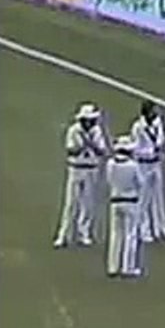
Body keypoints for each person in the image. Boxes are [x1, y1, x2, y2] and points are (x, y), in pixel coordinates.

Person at [54, 103, 109, 248]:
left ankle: (84, 233)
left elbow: (102, 150)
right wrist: (84, 144)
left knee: (88, 202)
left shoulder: (97, 131)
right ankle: (63, 234)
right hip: (76, 169)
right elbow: (71, 150)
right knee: (71, 203)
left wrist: (92, 144)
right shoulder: (74, 131)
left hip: (91, 169)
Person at [129, 100, 165, 243]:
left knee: (158, 197)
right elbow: (136, 148)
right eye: (153, 111)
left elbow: (161, 138)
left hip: (155, 163)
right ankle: (144, 229)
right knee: (143, 198)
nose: (155, 113)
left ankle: (162, 227)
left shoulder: (158, 123)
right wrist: (150, 151)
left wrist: (159, 147)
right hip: (143, 164)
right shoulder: (138, 127)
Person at [104, 135, 142, 278]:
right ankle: (128, 267)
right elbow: (140, 182)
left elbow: (109, 180)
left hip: (115, 200)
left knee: (115, 234)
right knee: (130, 234)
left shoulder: (110, 164)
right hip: (130, 201)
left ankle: (113, 267)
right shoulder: (133, 165)